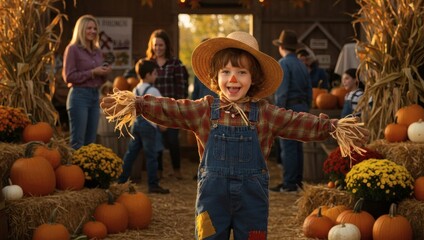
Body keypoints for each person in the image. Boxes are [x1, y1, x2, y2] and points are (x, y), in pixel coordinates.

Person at [100, 31, 369, 240]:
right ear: (216, 77)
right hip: (211, 200)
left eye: (242, 72)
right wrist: (137, 104)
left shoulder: (265, 113)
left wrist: (334, 127)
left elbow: (299, 122)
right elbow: (171, 107)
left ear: (254, 79)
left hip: (252, 203)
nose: (233, 79)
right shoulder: (204, 110)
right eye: (226, 72)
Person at [118, 59, 170, 194]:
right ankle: (153, 184)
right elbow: (160, 109)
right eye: (154, 73)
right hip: (148, 126)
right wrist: (162, 123)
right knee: (151, 156)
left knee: (131, 154)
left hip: (136, 124)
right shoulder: (153, 90)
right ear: (147, 75)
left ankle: (121, 180)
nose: (156, 76)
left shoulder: (135, 89)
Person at [270, 29, 312, 192]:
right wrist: (306, 107)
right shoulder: (302, 64)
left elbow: (282, 91)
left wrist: (278, 112)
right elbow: (309, 90)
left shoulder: (283, 63)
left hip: (288, 107)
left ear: (281, 47)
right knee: (298, 146)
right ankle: (297, 182)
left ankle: (289, 184)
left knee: (288, 147)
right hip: (302, 107)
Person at [62, 14, 112, 149]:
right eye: (89, 28)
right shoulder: (72, 49)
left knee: (91, 142)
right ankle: (74, 170)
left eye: (95, 28)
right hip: (79, 96)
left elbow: (100, 79)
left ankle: (87, 170)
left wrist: (104, 73)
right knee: (78, 142)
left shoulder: (97, 51)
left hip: (95, 96)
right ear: (81, 29)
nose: (93, 31)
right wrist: (93, 72)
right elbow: (69, 76)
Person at [146, 29, 189, 180]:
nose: (157, 48)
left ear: (166, 45)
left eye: (161, 45)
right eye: (155, 45)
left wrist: (180, 106)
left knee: (172, 140)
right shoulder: (148, 64)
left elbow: (181, 86)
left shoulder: (175, 63)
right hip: (154, 108)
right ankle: (159, 171)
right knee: (156, 140)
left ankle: (177, 170)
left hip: (171, 107)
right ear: (151, 46)